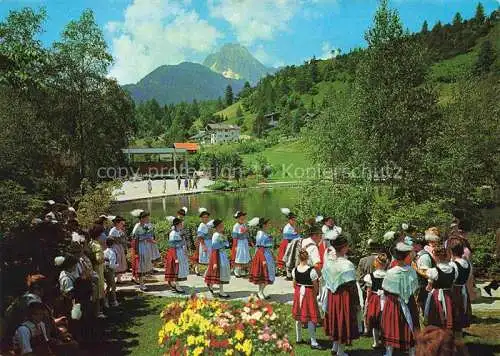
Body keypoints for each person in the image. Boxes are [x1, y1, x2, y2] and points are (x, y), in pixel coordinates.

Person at [322, 234, 360, 356]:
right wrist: (357, 303)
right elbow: (352, 287)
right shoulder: (347, 264)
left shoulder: (328, 262)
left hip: (332, 296)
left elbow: (325, 279)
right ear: (344, 247)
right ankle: (340, 352)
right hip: (344, 296)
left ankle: (335, 347)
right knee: (343, 322)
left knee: (335, 320)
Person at [381, 242, 419, 356]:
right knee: (407, 324)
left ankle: (391, 351)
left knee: (393, 325)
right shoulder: (410, 270)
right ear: (406, 256)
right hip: (402, 302)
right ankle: (409, 351)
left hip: (394, 302)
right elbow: (414, 288)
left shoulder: (392, 272)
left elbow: (385, 289)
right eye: (409, 255)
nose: (411, 257)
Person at [292, 250, 325, 351]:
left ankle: (298, 338)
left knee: (298, 317)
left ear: (299, 258)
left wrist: (298, 291)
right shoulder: (312, 271)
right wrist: (315, 294)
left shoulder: (295, 269)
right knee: (311, 317)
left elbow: (294, 284)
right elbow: (315, 285)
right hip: (308, 293)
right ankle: (313, 341)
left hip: (298, 292)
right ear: (307, 258)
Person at [448, 238, 473, 338]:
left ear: (451, 251)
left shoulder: (452, 265)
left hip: (454, 292)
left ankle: (453, 343)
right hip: (463, 290)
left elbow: (450, 280)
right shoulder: (468, 264)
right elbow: (468, 277)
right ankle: (458, 339)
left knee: (453, 316)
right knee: (459, 316)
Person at [363, 253, 388, 349]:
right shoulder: (388, 275)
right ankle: (385, 341)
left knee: (374, 320)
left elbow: (369, 291)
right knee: (385, 320)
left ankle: (376, 342)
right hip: (386, 299)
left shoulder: (370, 276)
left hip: (374, 299)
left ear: (376, 263)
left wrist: (367, 301)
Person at [249, 217, 275, 300]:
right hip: (262, 255)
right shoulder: (260, 234)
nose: (269, 225)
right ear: (264, 225)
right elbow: (260, 247)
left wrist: (272, 253)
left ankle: (261, 291)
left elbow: (267, 245)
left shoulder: (264, 233)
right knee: (264, 273)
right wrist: (263, 259)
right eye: (268, 224)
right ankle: (260, 292)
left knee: (268, 273)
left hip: (267, 254)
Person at [131, 210, 158, 291]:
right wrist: (136, 252)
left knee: (145, 264)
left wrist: (153, 241)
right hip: (140, 247)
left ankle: (142, 282)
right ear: (142, 218)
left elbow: (148, 237)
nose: (148, 219)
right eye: (146, 217)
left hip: (145, 247)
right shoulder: (138, 228)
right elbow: (135, 239)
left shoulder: (145, 227)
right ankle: (141, 284)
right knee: (140, 265)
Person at [205, 219, 231, 298]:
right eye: (221, 226)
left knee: (222, 272)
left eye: (223, 225)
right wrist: (215, 262)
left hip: (222, 254)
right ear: (217, 227)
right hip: (218, 255)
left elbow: (226, 244)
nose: (223, 227)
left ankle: (215, 286)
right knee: (220, 272)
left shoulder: (221, 234)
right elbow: (215, 248)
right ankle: (221, 291)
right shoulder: (216, 235)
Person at [164, 217, 189, 293]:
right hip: (175, 253)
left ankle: (173, 283)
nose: (182, 225)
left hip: (180, 252)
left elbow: (182, 243)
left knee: (179, 269)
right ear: (177, 225)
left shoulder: (179, 232)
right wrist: (175, 258)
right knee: (176, 269)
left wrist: (185, 250)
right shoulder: (173, 234)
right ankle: (177, 286)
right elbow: (172, 247)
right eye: (181, 224)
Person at [413, 234, 436, 313]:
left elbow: (427, 273)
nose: (413, 245)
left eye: (414, 243)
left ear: (419, 245)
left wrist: (415, 268)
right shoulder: (419, 255)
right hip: (420, 285)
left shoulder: (424, 257)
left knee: (424, 307)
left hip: (423, 286)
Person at [277, 208, 301, 277]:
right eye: (292, 220)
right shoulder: (287, 227)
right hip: (287, 243)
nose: (294, 221)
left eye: (294, 219)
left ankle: (289, 271)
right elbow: (288, 236)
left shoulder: (293, 226)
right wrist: (297, 234)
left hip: (292, 243)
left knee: (292, 257)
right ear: (289, 220)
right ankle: (286, 271)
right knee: (287, 257)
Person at [108, 216, 128, 283]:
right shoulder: (113, 230)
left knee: (121, 261)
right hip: (115, 247)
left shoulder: (120, 230)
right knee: (116, 260)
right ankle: (113, 278)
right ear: (117, 223)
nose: (122, 225)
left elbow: (123, 238)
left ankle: (119, 278)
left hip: (120, 247)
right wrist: (118, 240)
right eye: (120, 223)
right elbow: (111, 239)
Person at [231, 211, 251, 277]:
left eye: (243, 218)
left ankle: (242, 270)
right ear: (238, 218)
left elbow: (247, 234)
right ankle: (236, 269)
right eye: (241, 218)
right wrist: (235, 245)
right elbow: (235, 237)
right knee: (239, 256)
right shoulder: (235, 226)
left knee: (244, 256)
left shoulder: (244, 225)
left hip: (244, 242)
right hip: (239, 242)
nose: (242, 219)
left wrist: (249, 240)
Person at [195, 208, 213, 276]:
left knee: (209, 258)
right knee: (207, 258)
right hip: (205, 242)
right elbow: (200, 236)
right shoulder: (201, 226)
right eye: (204, 217)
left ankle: (199, 269)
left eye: (207, 217)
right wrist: (203, 245)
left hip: (209, 242)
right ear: (201, 218)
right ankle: (206, 273)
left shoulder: (208, 225)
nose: (206, 218)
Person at [103, 238, 119, 308]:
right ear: (113, 244)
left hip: (105, 270)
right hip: (109, 270)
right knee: (113, 286)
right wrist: (117, 265)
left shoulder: (104, 251)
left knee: (108, 285)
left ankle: (106, 301)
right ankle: (114, 301)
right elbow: (112, 265)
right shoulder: (112, 253)